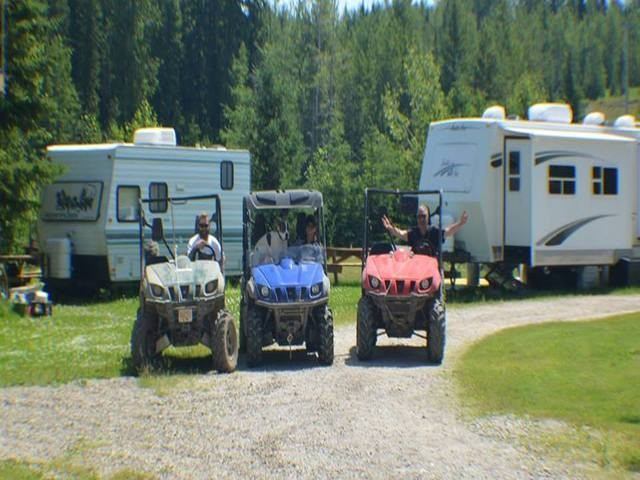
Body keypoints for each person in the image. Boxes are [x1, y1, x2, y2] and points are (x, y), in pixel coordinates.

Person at [382, 204, 468, 254]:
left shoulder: (434, 232)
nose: (421, 219)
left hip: (432, 268)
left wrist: (461, 223)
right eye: (419, 217)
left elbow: (448, 231)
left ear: (428, 217)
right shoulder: (413, 233)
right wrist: (390, 227)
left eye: (423, 216)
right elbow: (400, 233)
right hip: (417, 268)